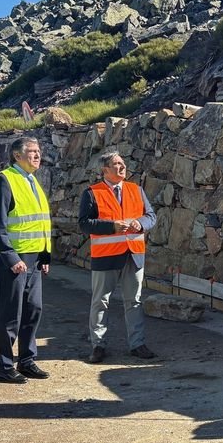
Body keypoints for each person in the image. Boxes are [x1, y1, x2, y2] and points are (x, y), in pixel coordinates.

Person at [78, 151, 157, 362]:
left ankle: (137, 344)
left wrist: (141, 223)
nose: (122, 167)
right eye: (116, 164)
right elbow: (84, 224)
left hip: (133, 255)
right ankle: (98, 346)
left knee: (135, 301)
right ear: (105, 170)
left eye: (123, 163)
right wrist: (111, 227)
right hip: (106, 257)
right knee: (101, 302)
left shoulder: (136, 189)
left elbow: (151, 216)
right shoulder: (92, 193)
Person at [0, 137, 51, 384]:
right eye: (32, 152)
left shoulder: (32, 180)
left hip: (34, 259)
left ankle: (26, 360)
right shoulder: (4, 180)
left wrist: (45, 255)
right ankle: (4, 366)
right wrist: (11, 257)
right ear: (17, 155)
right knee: (10, 314)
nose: (37, 156)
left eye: (38, 151)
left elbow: (40, 223)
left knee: (33, 310)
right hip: (14, 260)